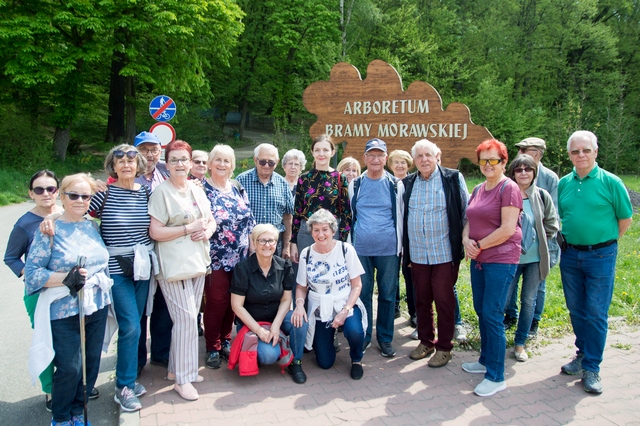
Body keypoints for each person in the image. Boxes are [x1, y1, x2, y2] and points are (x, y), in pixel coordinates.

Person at [25, 173, 111, 426]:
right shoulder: (49, 230)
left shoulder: (92, 227)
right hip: (64, 309)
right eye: (73, 195)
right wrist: (65, 277)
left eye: (86, 196)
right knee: (70, 367)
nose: (80, 200)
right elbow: (32, 274)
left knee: (90, 364)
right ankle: (61, 417)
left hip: (96, 304)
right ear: (62, 196)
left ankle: (77, 411)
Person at [558, 130, 632, 394]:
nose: (581, 155)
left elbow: (625, 220)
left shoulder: (611, 182)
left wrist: (604, 243)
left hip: (601, 256)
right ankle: (582, 354)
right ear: (569, 155)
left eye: (586, 150)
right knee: (576, 309)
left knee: (596, 313)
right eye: (575, 151)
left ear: (596, 152)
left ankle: (592, 368)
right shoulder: (564, 183)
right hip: (570, 256)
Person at [148, 140, 216, 401]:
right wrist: (187, 229)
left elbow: (210, 221)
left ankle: (176, 370)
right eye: (173, 160)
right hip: (173, 264)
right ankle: (184, 380)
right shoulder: (161, 193)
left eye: (183, 159)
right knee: (187, 320)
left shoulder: (196, 189)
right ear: (167, 163)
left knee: (188, 319)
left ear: (190, 163)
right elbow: (155, 231)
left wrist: (206, 230)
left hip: (198, 261)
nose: (179, 164)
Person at [86, 144, 152, 411]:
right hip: (116, 268)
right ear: (112, 166)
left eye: (131, 160)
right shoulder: (104, 193)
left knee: (136, 323)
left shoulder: (145, 192)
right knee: (130, 326)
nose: (126, 164)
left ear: (139, 166)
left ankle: (128, 380)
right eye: (120, 160)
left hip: (143, 266)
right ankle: (123, 387)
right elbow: (75, 210)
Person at [461, 139, 522, 397]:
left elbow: (508, 228)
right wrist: (466, 240)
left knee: (492, 314)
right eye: (483, 159)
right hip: (479, 260)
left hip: (501, 260)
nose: (488, 164)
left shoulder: (509, 189)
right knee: (481, 310)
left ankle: (496, 376)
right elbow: (469, 220)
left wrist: (479, 246)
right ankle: (485, 359)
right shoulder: (478, 189)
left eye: (493, 159)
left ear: (503, 162)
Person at [402, 140, 468, 368]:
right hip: (418, 253)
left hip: (444, 252)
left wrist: (464, 242)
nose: (424, 159)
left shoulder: (452, 178)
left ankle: (444, 347)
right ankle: (426, 341)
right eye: (419, 156)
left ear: (437, 156)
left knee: (444, 300)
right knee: (421, 300)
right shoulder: (409, 182)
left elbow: (465, 211)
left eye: (428, 154)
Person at [4, 170, 64, 412]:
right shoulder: (25, 223)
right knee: (46, 340)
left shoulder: (67, 214)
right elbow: (11, 257)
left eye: (50, 189)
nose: (45, 193)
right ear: (31, 194)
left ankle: (75, 382)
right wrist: (29, 276)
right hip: (39, 293)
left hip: (66, 289)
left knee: (71, 340)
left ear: (58, 191)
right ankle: (50, 389)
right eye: (39, 190)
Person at [294, 209, 367, 379]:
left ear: (333, 231)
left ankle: (357, 359)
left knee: (354, 331)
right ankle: (327, 339)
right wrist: (298, 305)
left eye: (325, 229)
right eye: (316, 230)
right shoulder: (307, 254)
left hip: (344, 303)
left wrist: (345, 310)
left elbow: (357, 285)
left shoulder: (345, 250)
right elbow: (301, 287)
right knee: (325, 363)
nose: (321, 234)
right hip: (321, 309)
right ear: (311, 232)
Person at [230, 224, 309, 383]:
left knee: (300, 321)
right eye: (262, 241)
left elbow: (287, 300)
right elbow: (236, 306)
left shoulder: (284, 266)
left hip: (276, 317)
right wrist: (259, 330)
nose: (267, 245)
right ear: (254, 242)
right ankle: (267, 346)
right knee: (268, 356)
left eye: (271, 241)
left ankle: (296, 362)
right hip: (252, 322)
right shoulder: (243, 268)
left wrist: (275, 326)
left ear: (276, 242)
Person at [202, 144, 255, 370]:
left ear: (232, 165)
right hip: (214, 256)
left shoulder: (237, 188)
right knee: (217, 301)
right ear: (210, 164)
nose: (222, 164)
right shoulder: (201, 189)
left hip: (240, 256)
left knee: (234, 302)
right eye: (218, 160)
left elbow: (249, 221)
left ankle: (226, 340)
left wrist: (251, 249)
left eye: (226, 161)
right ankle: (212, 347)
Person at [348, 138, 402, 357]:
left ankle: (385, 338)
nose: (375, 159)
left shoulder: (396, 184)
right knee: (363, 293)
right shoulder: (356, 184)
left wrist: (402, 246)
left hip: (389, 249)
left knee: (388, 294)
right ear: (365, 158)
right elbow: (352, 214)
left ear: (386, 159)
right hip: (361, 248)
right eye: (371, 155)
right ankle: (364, 336)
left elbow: (400, 215)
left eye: (380, 155)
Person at [505, 154, 559, 362]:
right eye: (519, 170)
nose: (524, 173)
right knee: (503, 299)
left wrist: (535, 236)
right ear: (513, 173)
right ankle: (497, 340)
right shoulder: (506, 194)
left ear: (534, 172)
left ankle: (520, 344)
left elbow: (552, 224)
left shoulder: (542, 196)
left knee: (528, 301)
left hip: (535, 259)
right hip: (510, 258)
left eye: (528, 169)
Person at [133, 131, 172, 375]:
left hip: (166, 249)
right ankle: (137, 359)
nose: (149, 154)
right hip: (139, 251)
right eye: (144, 149)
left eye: (153, 149)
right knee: (138, 308)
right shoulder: (124, 176)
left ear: (160, 151)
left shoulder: (167, 173)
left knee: (164, 303)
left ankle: (160, 353)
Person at [290, 135, 352, 264]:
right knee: (304, 277)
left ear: (332, 152)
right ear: (312, 152)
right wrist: (293, 242)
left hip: (331, 235)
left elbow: (346, 213)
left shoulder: (340, 179)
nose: (321, 154)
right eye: (317, 150)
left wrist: (342, 242)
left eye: (325, 150)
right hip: (306, 234)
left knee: (329, 276)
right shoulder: (304, 178)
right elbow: (297, 212)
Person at [236, 143, 294, 258]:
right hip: (248, 245)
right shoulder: (241, 181)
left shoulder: (283, 184)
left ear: (277, 162)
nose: (266, 165)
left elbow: (288, 218)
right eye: (262, 161)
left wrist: (286, 247)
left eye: (271, 162)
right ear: (255, 160)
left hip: (275, 246)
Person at [387, 149, 416, 326]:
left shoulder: (413, 182)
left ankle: (414, 313)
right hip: (392, 235)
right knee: (392, 275)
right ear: (390, 165)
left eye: (403, 162)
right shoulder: (388, 182)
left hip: (410, 236)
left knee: (410, 275)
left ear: (408, 164)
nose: (399, 165)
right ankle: (394, 307)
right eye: (395, 162)